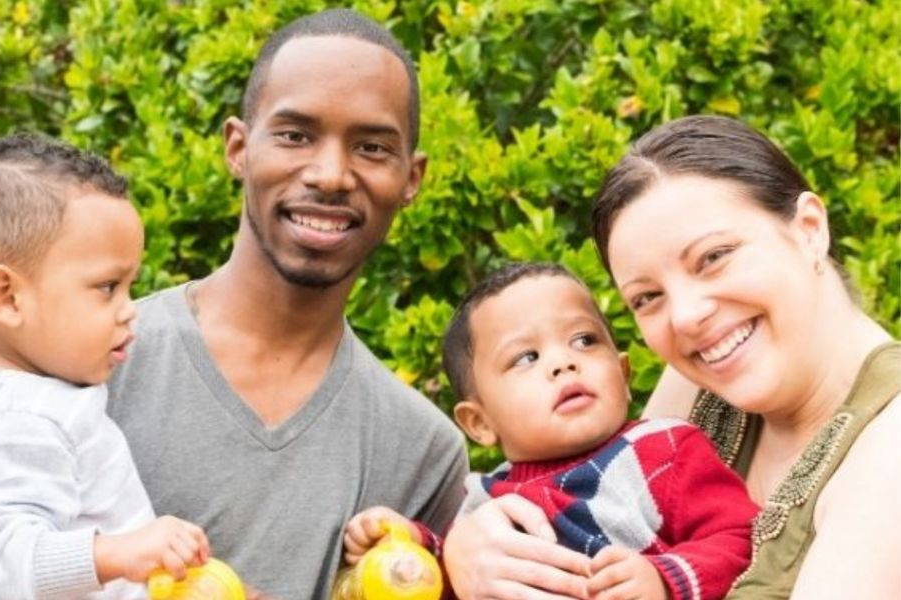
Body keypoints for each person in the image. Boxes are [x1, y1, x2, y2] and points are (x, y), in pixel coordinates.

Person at [442, 115, 900, 599]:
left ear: (808, 228)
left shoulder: (890, 444)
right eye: (647, 297)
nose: (685, 316)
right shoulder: (712, 375)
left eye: (713, 257)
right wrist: (467, 550)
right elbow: (599, 515)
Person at [106, 8, 468, 599]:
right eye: (296, 135)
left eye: (372, 147)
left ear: (411, 177)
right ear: (238, 148)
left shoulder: (422, 450)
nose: (330, 175)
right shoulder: (97, 363)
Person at [344, 262, 758, 600]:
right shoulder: (487, 501)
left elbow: (742, 536)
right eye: (526, 357)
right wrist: (410, 547)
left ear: (624, 372)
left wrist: (665, 581)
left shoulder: (662, 452)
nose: (563, 362)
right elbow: (458, 582)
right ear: (480, 423)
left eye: (583, 340)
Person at [0, 135, 211, 599]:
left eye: (129, 287)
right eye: (106, 287)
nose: (129, 309)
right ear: (6, 297)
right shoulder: (26, 418)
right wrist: (118, 553)